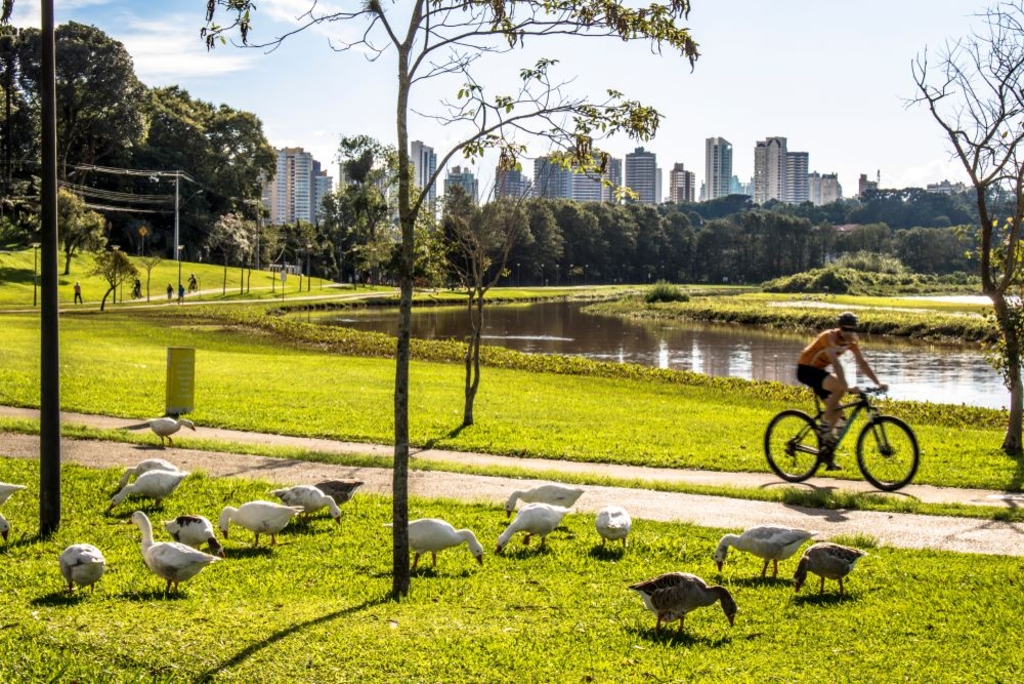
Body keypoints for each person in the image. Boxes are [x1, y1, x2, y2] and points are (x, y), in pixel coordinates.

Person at [796, 311, 887, 469]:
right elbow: (836, 365)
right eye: (846, 330)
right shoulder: (828, 337)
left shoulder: (851, 341)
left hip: (820, 372)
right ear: (839, 328)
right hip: (806, 369)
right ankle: (825, 426)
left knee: (839, 415)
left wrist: (878, 382)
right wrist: (847, 386)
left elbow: (862, 363)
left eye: (852, 330)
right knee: (840, 387)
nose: (849, 333)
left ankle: (826, 453)